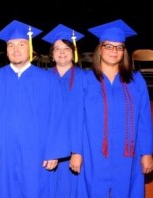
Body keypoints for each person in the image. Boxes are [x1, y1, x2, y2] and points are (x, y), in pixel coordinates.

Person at [0, 20, 69, 198]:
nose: (15, 49)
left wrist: (53, 152)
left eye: (21, 44)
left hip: (36, 153)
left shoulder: (47, 80)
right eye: (10, 45)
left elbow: (57, 118)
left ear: (30, 47)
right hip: (0, 153)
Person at [78, 19, 153, 197]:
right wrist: (77, 152)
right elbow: (77, 119)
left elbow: (145, 119)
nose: (114, 51)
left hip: (128, 154)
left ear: (124, 51)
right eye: (109, 46)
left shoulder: (136, 81)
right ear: (100, 49)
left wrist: (146, 153)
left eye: (119, 47)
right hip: (93, 153)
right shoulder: (86, 80)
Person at [42, 24, 85, 197]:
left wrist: (78, 150)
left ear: (73, 52)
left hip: (75, 146)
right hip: (47, 148)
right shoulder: (41, 78)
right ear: (51, 54)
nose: (61, 52)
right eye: (57, 49)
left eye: (66, 48)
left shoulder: (87, 78)